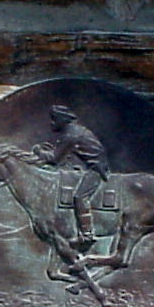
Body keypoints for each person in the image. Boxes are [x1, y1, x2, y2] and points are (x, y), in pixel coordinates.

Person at [34, 105, 110, 249]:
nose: (52, 123)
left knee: (80, 197)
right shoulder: (76, 131)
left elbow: (55, 158)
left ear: (62, 120)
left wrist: (38, 151)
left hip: (96, 169)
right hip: (86, 166)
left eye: (54, 120)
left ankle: (87, 235)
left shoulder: (71, 135)